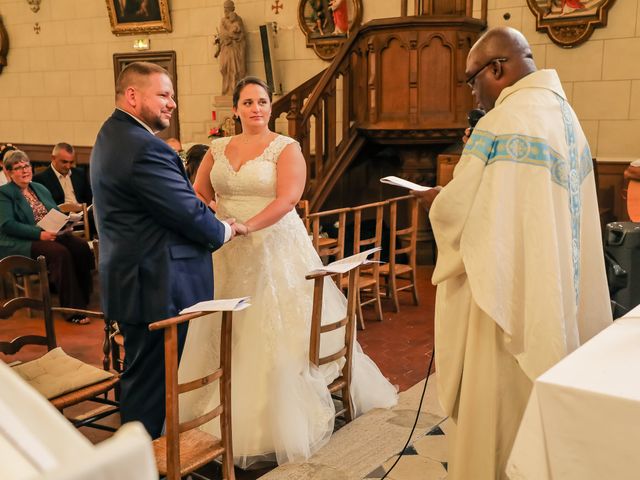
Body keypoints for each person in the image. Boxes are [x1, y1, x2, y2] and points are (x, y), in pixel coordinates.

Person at [411, 27, 612, 479]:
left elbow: (466, 214)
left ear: (497, 69)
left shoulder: (505, 121)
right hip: (551, 296)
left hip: (502, 305)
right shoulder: (565, 117)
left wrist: (435, 203)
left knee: (496, 420)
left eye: (471, 78)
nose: (472, 90)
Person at [180, 76, 398, 468]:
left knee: (270, 328)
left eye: (262, 101)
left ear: (269, 107)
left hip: (273, 244)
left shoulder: (285, 147)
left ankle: (268, 421)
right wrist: (220, 217)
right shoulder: (217, 147)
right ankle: (213, 408)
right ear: (236, 109)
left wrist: (250, 224)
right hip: (229, 247)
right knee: (226, 327)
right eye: (247, 102)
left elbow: (288, 198)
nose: (256, 108)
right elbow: (198, 190)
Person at [90, 61, 239, 439]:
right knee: (149, 385)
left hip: (139, 278)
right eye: (163, 95)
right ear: (133, 95)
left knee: (145, 377)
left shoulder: (112, 134)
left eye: (172, 95)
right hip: (156, 283)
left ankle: (149, 456)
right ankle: (143, 463)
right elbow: (186, 212)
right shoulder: (143, 148)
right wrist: (223, 230)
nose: (171, 103)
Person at [0, 150, 94, 325]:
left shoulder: (39, 188)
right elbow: (7, 225)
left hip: (49, 233)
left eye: (26, 166)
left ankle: (83, 299)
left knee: (80, 247)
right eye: (18, 168)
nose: (24, 170)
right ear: (9, 172)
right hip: (22, 241)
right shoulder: (4, 193)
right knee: (60, 253)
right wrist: (39, 233)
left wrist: (66, 224)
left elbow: (54, 212)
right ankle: (72, 310)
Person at [214, 0, 246, 96]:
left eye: (227, 8)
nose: (225, 11)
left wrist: (231, 35)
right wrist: (226, 36)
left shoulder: (238, 20)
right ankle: (226, 90)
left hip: (234, 49)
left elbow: (241, 36)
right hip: (225, 49)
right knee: (223, 68)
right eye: (224, 8)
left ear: (232, 8)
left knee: (235, 70)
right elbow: (222, 34)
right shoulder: (223, 21)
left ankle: (235, 90)